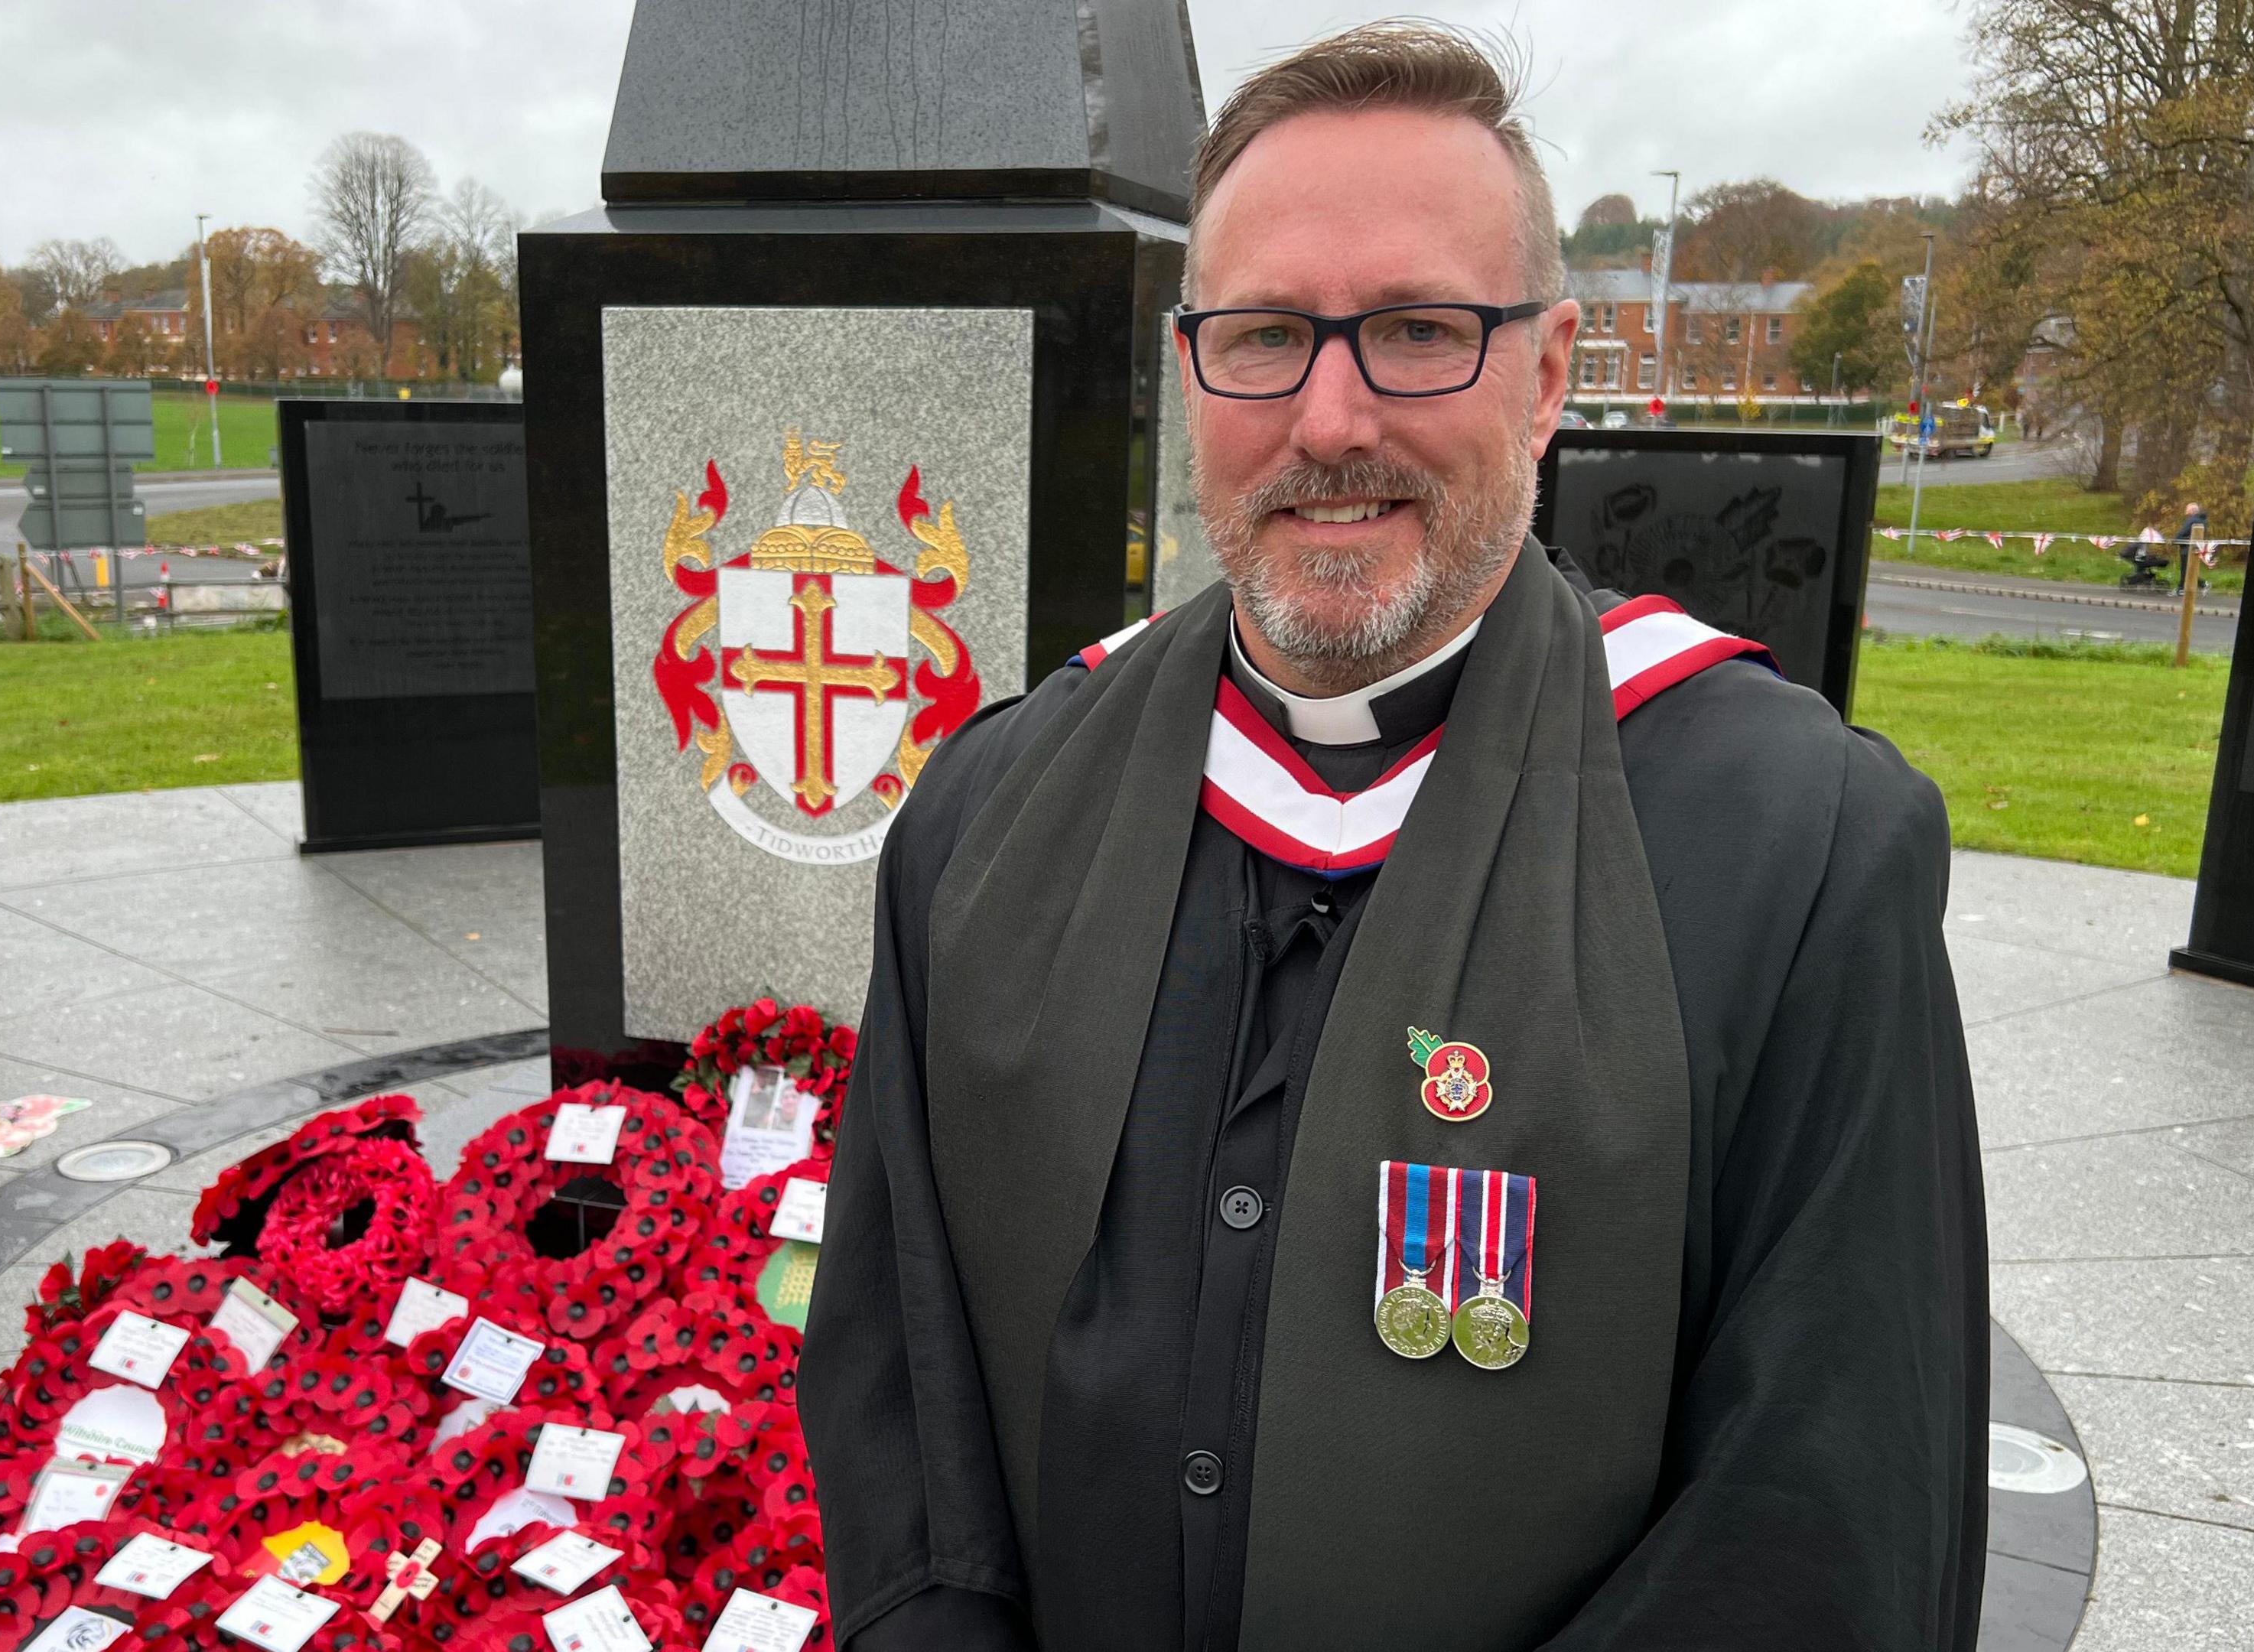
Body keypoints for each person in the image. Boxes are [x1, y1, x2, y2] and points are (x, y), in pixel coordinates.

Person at [796, 21, 1987, 1652]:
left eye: (1421, 331)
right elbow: (898, 1373)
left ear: (1553, 369)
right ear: (1191, 367)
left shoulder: (1795, 859)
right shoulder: (988, 818)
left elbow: (1826, 1509)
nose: (1334, 419)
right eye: (1268, 335)